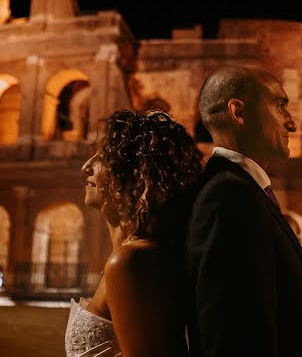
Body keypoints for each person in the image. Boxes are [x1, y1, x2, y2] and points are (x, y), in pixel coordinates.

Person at [185, 65, 302, 356]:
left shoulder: (241, 191)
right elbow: (234, 340)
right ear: (238, 112)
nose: (292, 124)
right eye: (279, 106)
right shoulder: (227, 198)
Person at [66, 109, 203, 357]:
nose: (87, 166)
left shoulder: (131, 261)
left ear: (134, 173)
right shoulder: (136, 255)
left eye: (103, 157)